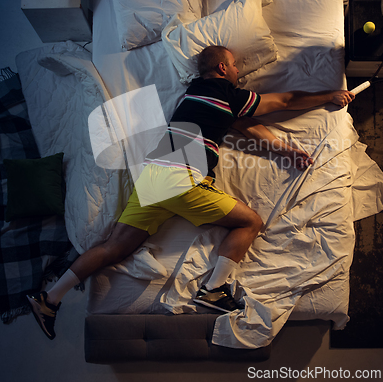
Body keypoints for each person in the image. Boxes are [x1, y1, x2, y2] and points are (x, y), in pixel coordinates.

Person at [27, 45, 355, 340]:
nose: (240, 72)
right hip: (179, 178)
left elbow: (243, 125)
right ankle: (214, 289)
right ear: (224, 69)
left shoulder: (197, 94)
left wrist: (285, 150)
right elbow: (285, 100)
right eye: (236, 66)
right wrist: (329, 96)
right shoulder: (226, 92)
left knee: (114, 246)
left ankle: (50, 298)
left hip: (154, 174)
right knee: (250, 223)